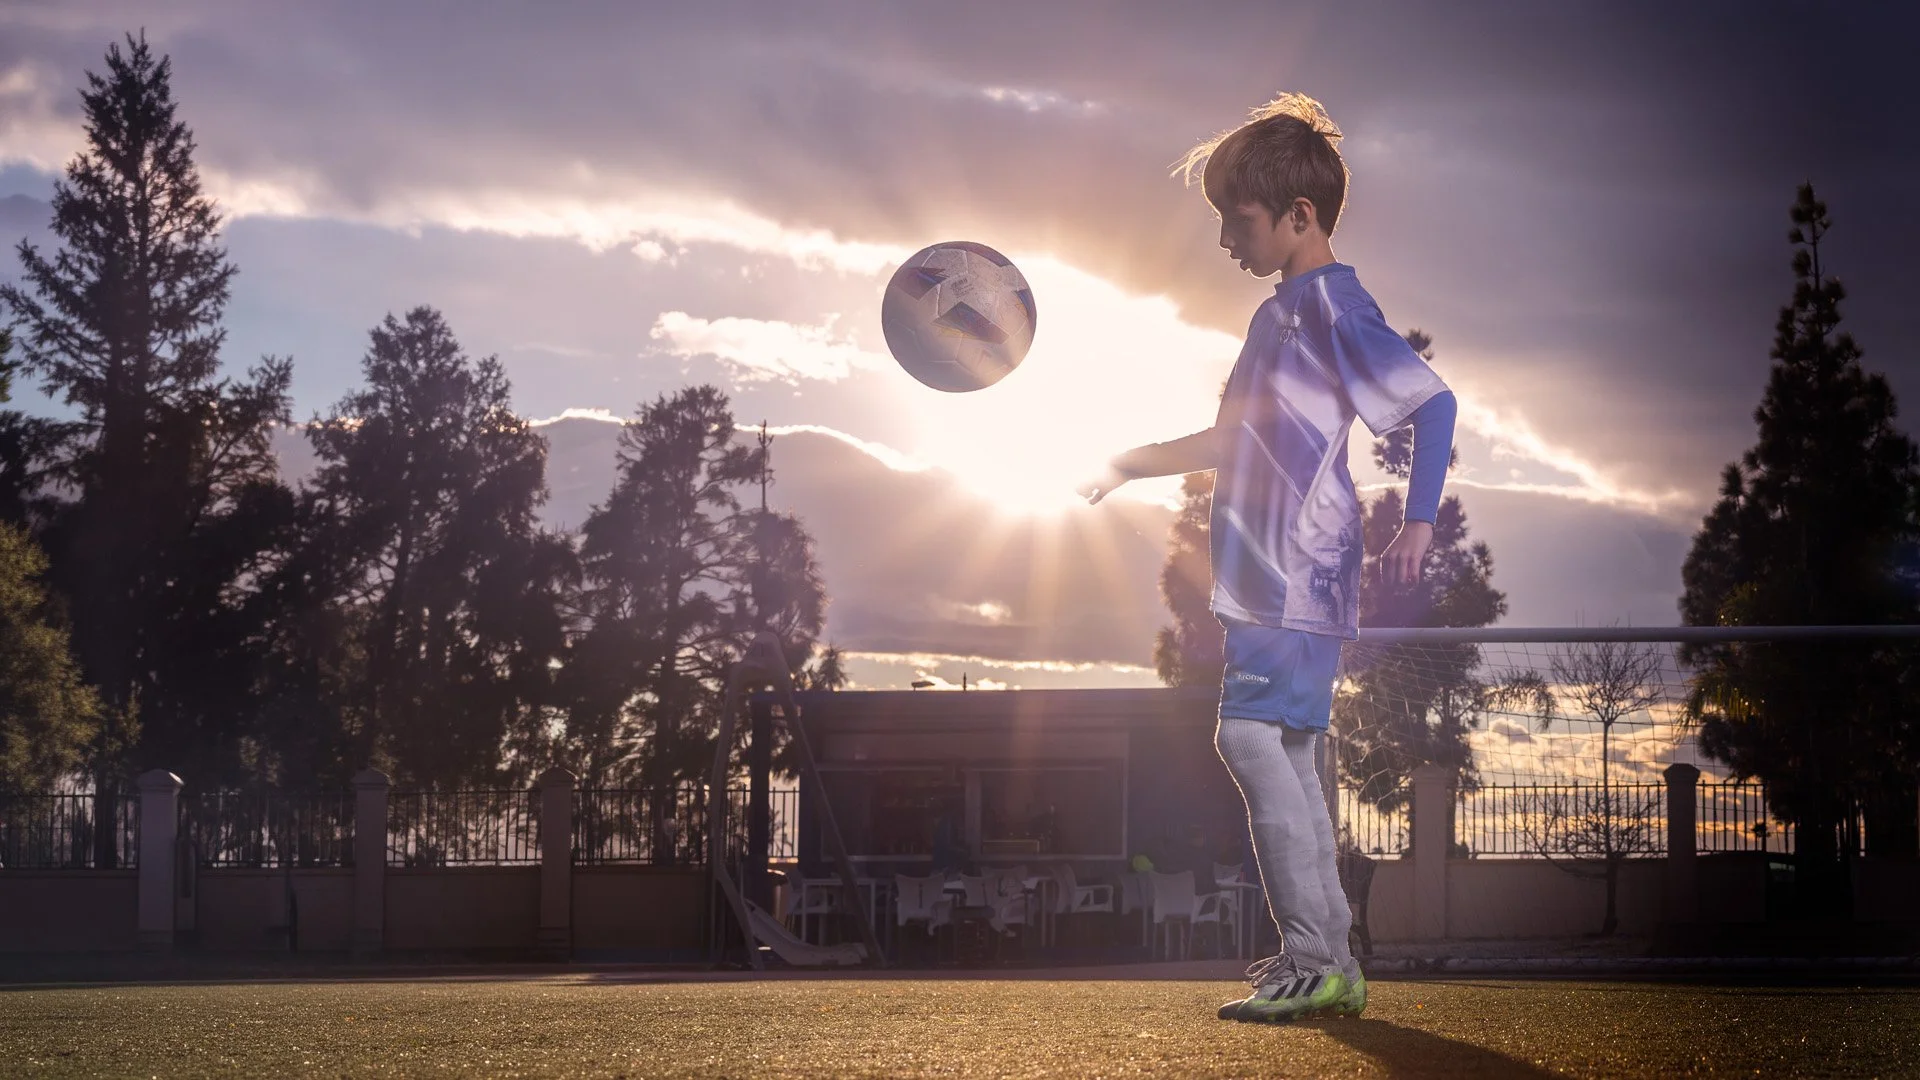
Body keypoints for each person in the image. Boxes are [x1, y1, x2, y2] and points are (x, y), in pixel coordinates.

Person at [1078, 92, 1457, 1023]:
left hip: (1296, 568)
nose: (1223, 240)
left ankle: (1314, 956)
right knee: (1288, 747)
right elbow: (1230, 441)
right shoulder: (1276, 316)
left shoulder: (1330, 302)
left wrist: (1417, 522)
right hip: (1271, 575)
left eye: (1235, 220)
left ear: (1299, 217)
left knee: (1246, 738)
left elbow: (1432, 403)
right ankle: (1332, 961)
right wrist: (1130, 464)